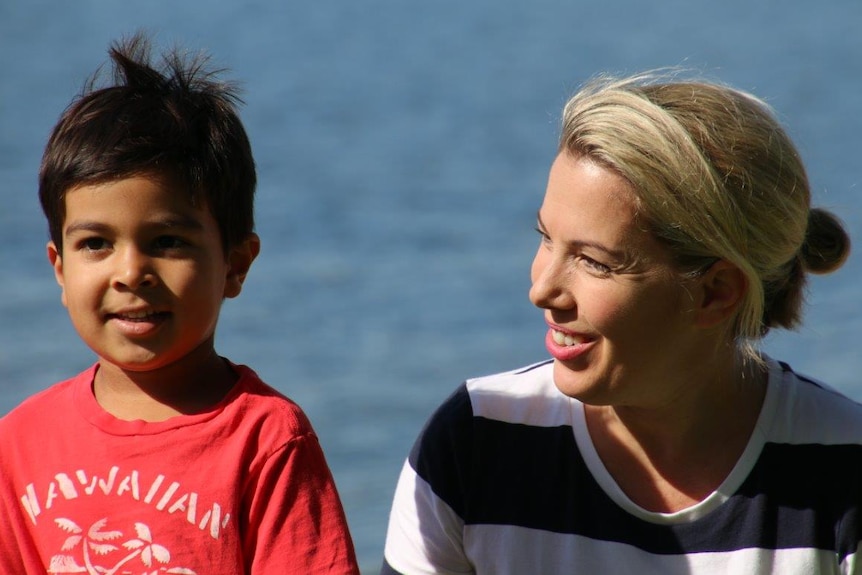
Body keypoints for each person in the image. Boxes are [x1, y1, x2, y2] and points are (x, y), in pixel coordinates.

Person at [380, 71, 859, 574]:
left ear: (716, 293)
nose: (542, 289)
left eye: (594, 261)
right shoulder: (477, 442)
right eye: (546, 238)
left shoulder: (848, 469)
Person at [0, 33, 359, 574]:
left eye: (167, 242)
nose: (130, 274)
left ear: (236, 264)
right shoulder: (20, 444)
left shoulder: (267, 440)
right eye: (96, 244)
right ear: (59, 267)